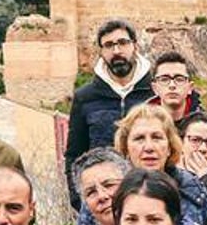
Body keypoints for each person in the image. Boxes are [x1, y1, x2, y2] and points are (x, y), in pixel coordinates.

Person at [70, 103, 207, 225]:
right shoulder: (106, 193)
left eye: (157, 137)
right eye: (139, 139)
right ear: (126, 148)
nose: (149, 147)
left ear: (169, 147)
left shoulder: (191, 187)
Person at [64, 19, 153, 210]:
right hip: (102, 201)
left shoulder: (155, 91)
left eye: (122, 43)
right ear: (101, 52)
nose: (117, 51)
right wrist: (79, 201)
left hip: (151, 194)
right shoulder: (85, 97)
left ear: (135, 46)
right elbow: (74, 154)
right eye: (109, 45)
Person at [149, 51, 203, 123]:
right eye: (164, 80)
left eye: (179, 79)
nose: (172, 85)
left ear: (190, 87)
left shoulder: (205, 126)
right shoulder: (142, 126)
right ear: (155, 88)